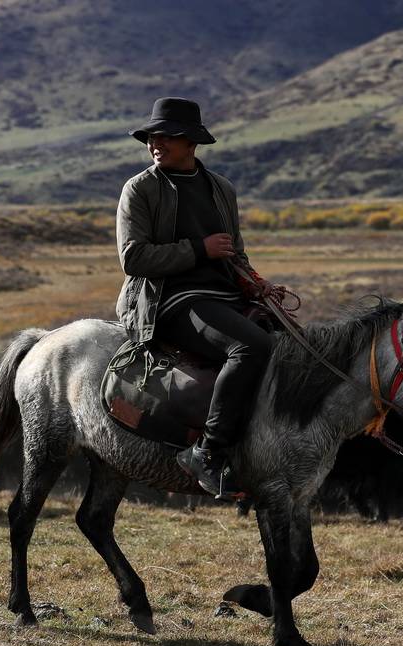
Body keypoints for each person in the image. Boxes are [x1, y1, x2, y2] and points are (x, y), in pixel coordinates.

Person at [116, 97, 285, 500]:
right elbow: (133, 258)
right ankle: (207, 452)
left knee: (290, 347)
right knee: (250, 346)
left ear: (191, 142)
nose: (156, 144)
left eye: (166, 137)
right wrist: (198, 249)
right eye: (152, 137)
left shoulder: (221, 189)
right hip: (168, 299)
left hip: (222, 295)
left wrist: (255, 283)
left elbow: (233, 251)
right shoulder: (140, 189)